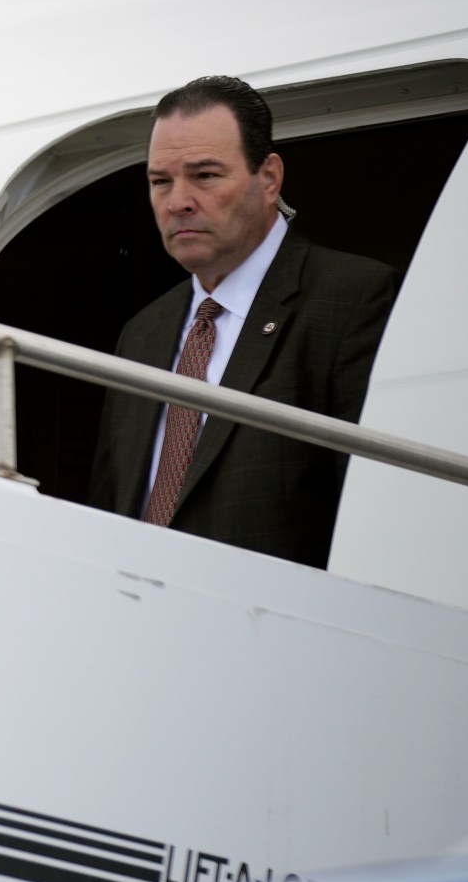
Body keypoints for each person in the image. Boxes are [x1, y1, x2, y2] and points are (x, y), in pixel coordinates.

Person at [87, 75, 396, 567]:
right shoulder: (142, 332)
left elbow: (379, 514)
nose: (177, 202)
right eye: (160, 181)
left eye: (205, 176)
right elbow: (110, 509)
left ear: (269, 178)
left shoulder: (353, 298)